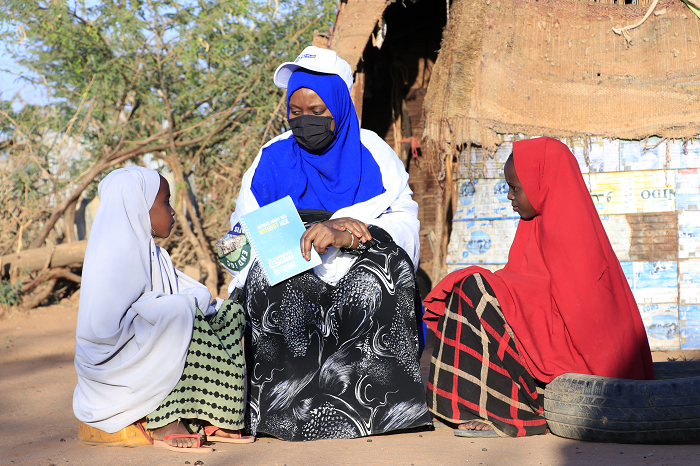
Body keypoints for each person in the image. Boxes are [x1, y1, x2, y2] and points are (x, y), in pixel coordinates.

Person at [218, 46, 431, 441]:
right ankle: (285, 414)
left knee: (381, 274)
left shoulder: (373, 153)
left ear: (340, 106)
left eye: (316, 112)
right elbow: (240, 237)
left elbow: (403, 225)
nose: (304, 122)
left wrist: (345, 233)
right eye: (295, 112)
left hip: (354, 253)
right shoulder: (271, 158)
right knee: (276, 279)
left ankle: (380, 410)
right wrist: (292, 234)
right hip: (293, 256)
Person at [423, 137, 655, 438]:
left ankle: (512, 409)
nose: (509, 196)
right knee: (471, 287)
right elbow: (528, 290)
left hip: (572, 359)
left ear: (542, 184)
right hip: (544, 339)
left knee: (475, 287)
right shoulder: (533, 228)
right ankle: (469, 404)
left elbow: (584, 324)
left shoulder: (571, 233)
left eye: (515, 188)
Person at [73, 167, 252, 453]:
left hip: (149, 344)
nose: (171, 211)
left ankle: (215, 415)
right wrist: (178, 306)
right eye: (166, 202)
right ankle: (164, 421)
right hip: (114, 367)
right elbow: (105, 333)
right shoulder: (109, 258)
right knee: (177, 312)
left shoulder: (154, 254)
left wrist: (199, 304)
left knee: (227, 312)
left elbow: (189, 292)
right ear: (138, 207)